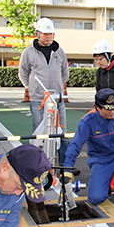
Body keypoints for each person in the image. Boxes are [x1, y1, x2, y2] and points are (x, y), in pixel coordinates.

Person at [18, 17, 70, 171]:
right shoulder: (28, 52)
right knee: (39, 134)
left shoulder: (59, 51)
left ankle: (63, 165)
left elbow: (65, 73)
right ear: (37, 33)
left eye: (51, 34)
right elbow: (23, 73)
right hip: (38, 100)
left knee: (62, 132)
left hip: (57, 99)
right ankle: (38, 165)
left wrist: (59, 87)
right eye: (45, 34)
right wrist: (31, 88)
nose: (48, 37)